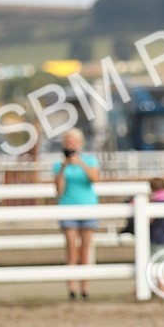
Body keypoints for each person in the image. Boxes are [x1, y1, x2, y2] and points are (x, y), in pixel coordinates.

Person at [53, 129, 100, 300]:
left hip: (88, 208)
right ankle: (72, 288)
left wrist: (80, 163)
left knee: (85, 252)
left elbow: (95, 179)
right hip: (68, 208)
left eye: (73, 141)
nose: (70, 145)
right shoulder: (59, 165)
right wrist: (64, 166)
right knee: (72, 251)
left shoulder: (89, 160)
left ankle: (85, 288)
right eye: (68, 142)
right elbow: (58, 189)